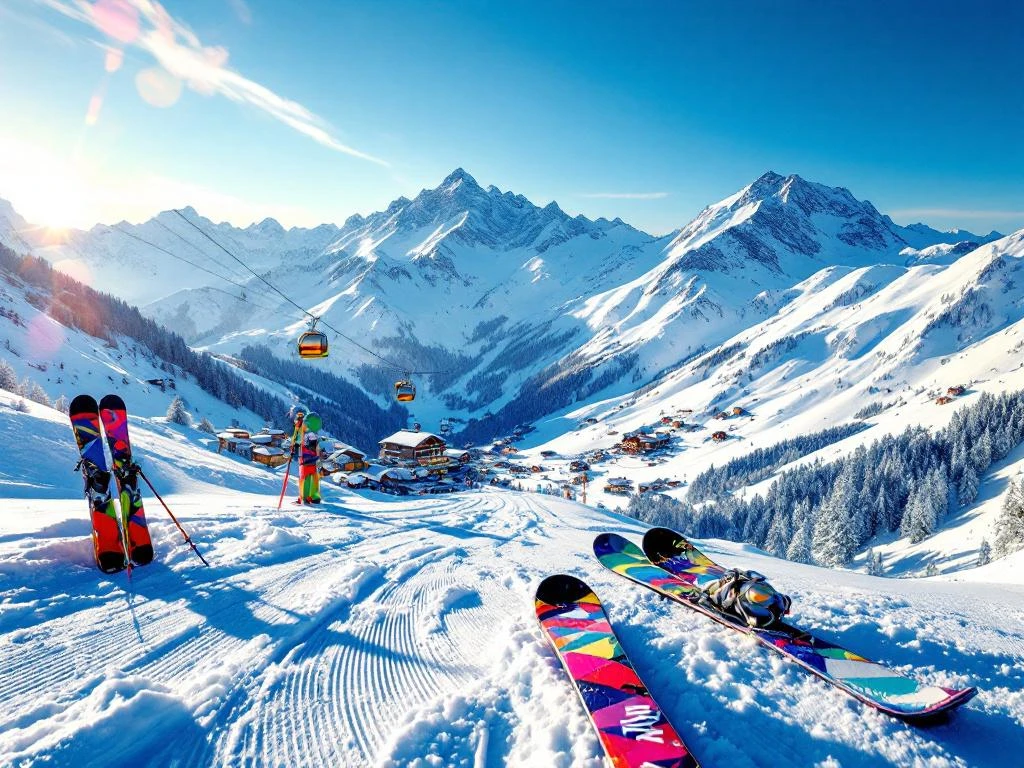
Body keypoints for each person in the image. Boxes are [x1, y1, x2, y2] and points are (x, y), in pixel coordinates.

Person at [298, 428, 322, 504]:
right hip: (307, 467)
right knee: (307, 482)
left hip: (311, 467)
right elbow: (307, 459)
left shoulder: (313, 448)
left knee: (312, 482)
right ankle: (307, 498)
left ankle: (312, 497)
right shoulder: (304, 448)